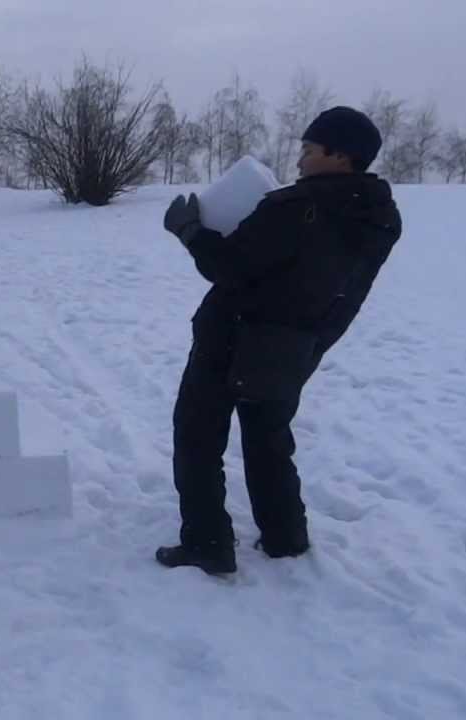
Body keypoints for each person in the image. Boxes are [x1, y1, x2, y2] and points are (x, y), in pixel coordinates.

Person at [157, 106, 402, 575]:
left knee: (198, 434)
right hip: (296, 344)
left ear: (340, 155)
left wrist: (190, 232)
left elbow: (230, 267)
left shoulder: (298, 208)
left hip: (233, 335)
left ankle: (207, 542)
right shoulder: (379, 217)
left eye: (309, 151)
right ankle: (284, 536)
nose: (300, 161)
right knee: (268, 436)